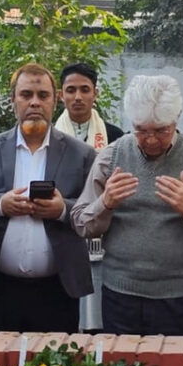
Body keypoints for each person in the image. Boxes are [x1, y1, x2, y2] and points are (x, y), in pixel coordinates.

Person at [72, 75, 183, 336]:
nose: (151, 140)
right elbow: (81, 222)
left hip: (182, 296)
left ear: (176, 119)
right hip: (121, 293)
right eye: (141, 130)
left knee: (177, 361)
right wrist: (106, 203)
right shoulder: (112, 156)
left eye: (161, 131)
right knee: (122, 362)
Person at [0, 63, 96, 333]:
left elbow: (95, 211)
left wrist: (62, 209)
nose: (34, 102)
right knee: (1, 358)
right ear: (13, 100)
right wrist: (1, 204)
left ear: (56, 100)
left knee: (56, 359)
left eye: (43, 95)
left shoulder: (82, 154)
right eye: (26, 94)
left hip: (59, 289)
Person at [54, 62, 124, 332]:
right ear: (61, 95)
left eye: (85, 90)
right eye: (71, 90)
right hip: (63, 228)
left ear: (95, 93)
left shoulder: (115, 137)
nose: (77, 97)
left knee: (101, 314)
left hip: (104, 232)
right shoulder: (50, 136)